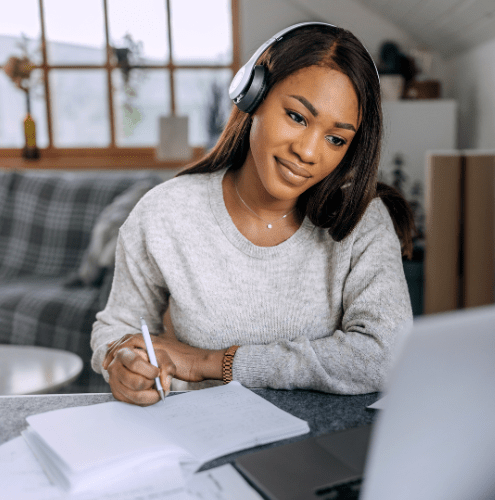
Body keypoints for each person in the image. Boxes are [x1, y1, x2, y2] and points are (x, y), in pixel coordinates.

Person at [91, 23, 414, 406]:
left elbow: (387, 356)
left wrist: (212, 363)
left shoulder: (363, 219)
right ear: (253, 96)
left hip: (320, 447)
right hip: (199, 436)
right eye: (297, 116)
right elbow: (118, 327)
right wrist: (120, 361)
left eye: (336, 139)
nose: (309, 152)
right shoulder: (166, 213)